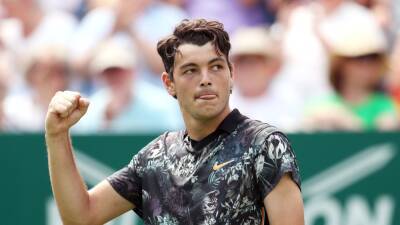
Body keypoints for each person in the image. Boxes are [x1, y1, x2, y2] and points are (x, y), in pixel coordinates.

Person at [45, 19, 303, 225]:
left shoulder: (266, 144)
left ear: (231, 74)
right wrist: (56, 136)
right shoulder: (154, 157)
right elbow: (80, 217)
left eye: (216, 67)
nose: (206, 79)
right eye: (191, 70)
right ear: (169, 84)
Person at [302, 14, 399, 131]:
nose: (367, 65)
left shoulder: (386, 106)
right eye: (359, 58)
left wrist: (353, 123)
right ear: (342, 64)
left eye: (373, 59)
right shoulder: (319, 105)